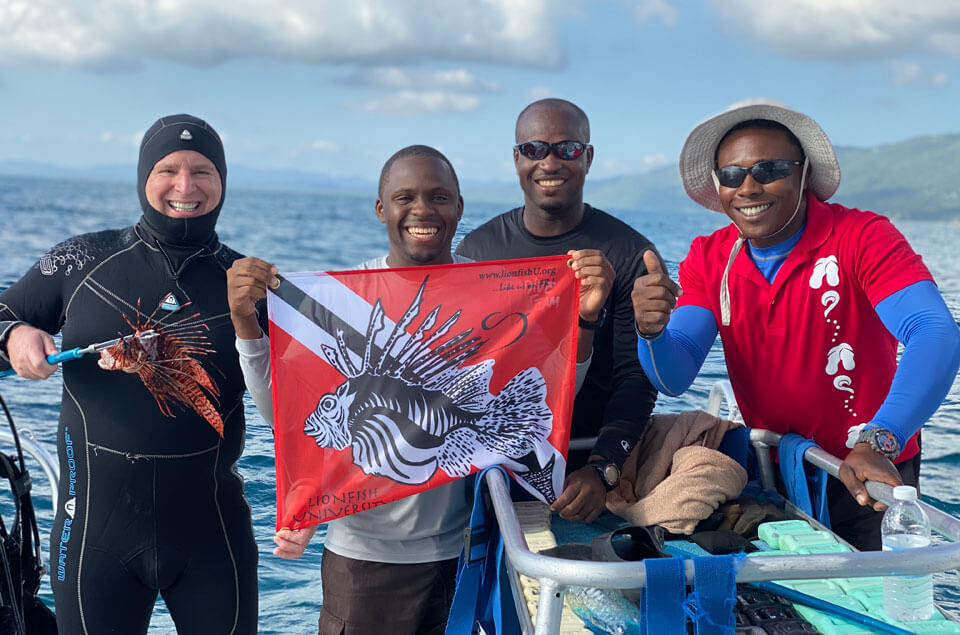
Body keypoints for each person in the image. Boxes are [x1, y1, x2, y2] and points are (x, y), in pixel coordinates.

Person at [227, 144, 608, 634]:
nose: (422, 210)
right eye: (405, 197)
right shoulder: (339, 305)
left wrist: (585, 319)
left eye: (439, 196)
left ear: (459, 207)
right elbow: (285, 416)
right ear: (381, 208)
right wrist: (246, 325)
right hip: (362, 568)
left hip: (463, 556)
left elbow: (548, 398)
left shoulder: (492, 297)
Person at [632, 101, 960, 550]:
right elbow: (675, 372)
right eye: (731, 175)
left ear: (804, 174)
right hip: (774, 472)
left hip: (870, 475)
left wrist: (879, 441)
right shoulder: (709, 258)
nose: (748, 187)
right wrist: (651, 331)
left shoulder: (862, 236)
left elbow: (934, 333)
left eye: (769, 169)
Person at [0, 114, 261, 633]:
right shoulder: (81, 261)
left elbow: (312, 393)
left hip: (214, 537)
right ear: (144, 176)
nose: (185, 187)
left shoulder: (248, 283)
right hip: (95, 536)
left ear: (223, 181)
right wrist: (14, 337)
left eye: (203, 171)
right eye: (168, 169)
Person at [456, 98, 660, 523]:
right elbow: (462, 371)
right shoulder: (477, 253)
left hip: (585, 463)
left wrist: (602, 470)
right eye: (534, 149)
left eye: (566, 149)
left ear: (587, 157)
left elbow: (635, 379)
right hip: (492, 464)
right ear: (516, 159)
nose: (549, 161)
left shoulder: (627, 253)